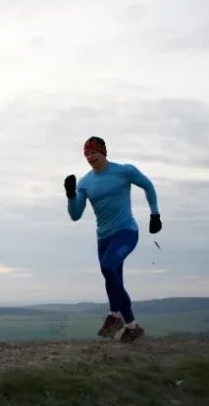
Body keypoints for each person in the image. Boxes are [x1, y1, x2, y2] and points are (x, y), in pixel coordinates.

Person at [64, 136, 161, 342]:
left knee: (108, 267)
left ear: (103, 152)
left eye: (94, 152)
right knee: (112, 277)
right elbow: (75, 215)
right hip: (104, 238)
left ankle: (115, 316)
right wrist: (71, 195)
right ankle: (132, 326)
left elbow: (148, 185)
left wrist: (155, 214)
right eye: (87, 154)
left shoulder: (124, 171)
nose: (90, 157)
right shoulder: (85, 182)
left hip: (126, 231)